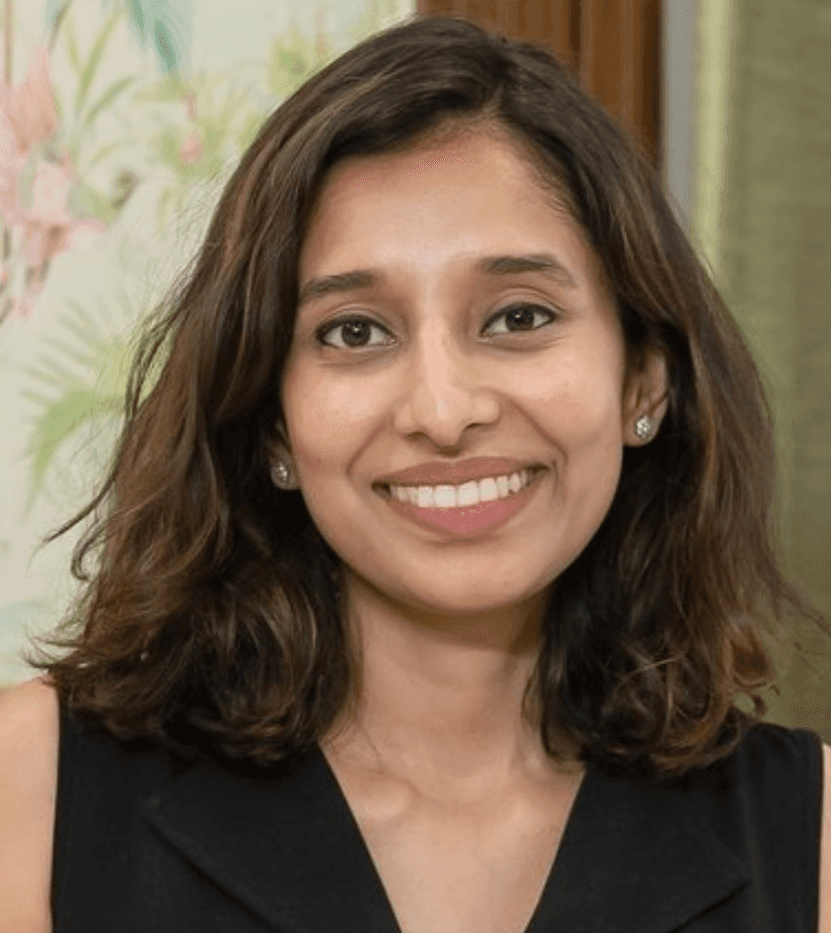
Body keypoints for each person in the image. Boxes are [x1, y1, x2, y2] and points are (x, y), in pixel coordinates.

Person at [0, 13, 829, 932]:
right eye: (354, 331)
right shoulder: (33, 789)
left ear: (643, 379)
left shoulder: (810, 839)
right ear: (271, 420)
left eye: (517, 316)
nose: (442, 411)